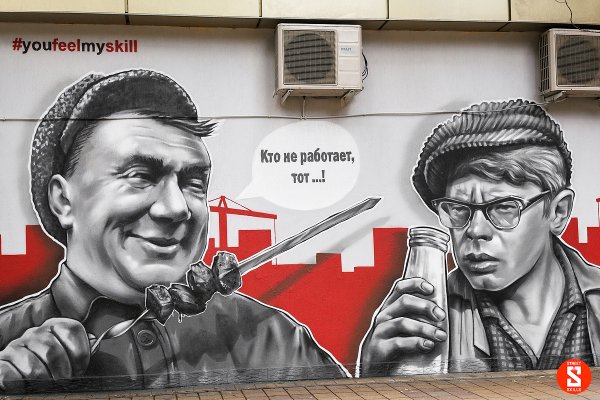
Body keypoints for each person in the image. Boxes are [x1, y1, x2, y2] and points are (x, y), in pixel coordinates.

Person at [0, 69, 345, 393]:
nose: (177, 207)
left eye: (194, 183)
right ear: (64, 201)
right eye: (139, 175)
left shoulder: (271, 338)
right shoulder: (8, 343)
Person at [359, 99, 600, 375]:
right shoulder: (427, 319)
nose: (475, 230)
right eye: (458, 209)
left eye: (504, 207)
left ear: (558, 212)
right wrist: (375, 373)